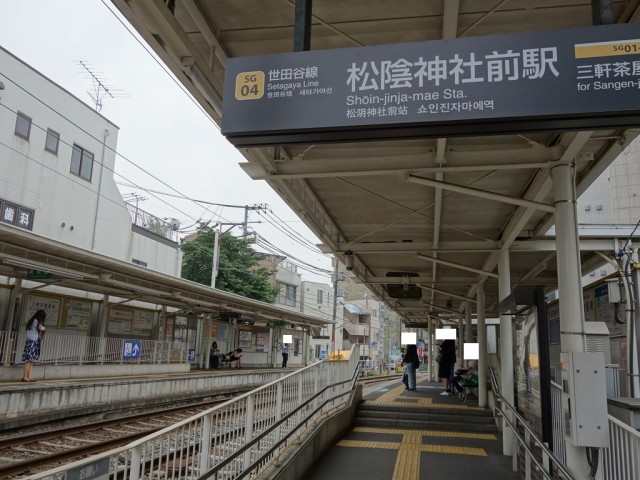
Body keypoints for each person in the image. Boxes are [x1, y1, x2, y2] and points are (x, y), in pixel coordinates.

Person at [21, 310, 46, 382]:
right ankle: (24, 377)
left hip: (33, 342)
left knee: (31, 361)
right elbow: (42, 328)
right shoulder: (35, 321)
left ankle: (29, 377)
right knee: (28, 360)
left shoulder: (33, 320)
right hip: (31, 342)